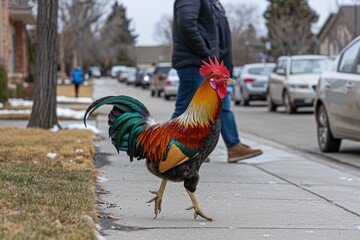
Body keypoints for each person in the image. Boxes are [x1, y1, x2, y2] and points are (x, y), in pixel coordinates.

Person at [171, 0, 262, 163]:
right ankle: (170, 148)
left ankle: (233, 146)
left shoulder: (214, 4)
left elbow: (219, 37)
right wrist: (205, 53)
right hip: (195, 63)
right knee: (186, 108)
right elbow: (186, 24)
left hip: (210, 64)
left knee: (221, 106)